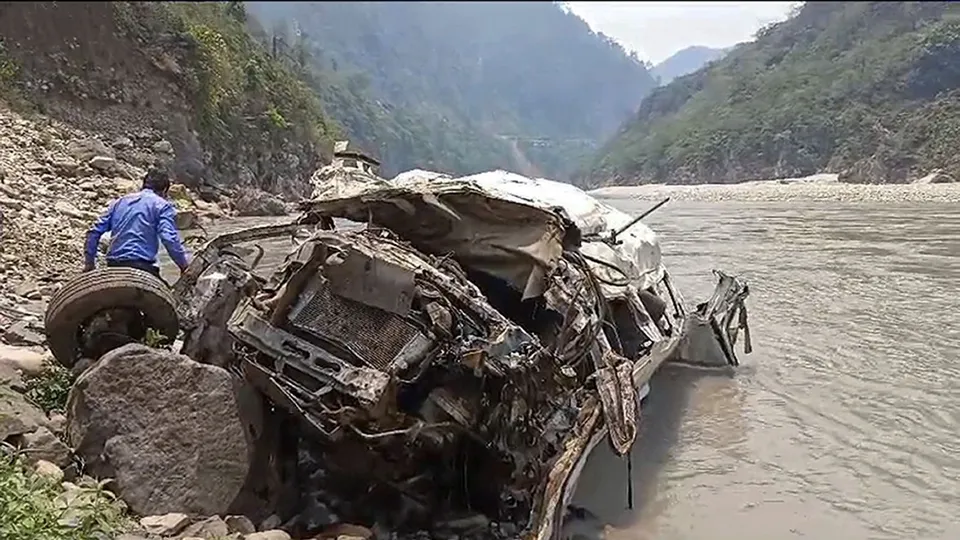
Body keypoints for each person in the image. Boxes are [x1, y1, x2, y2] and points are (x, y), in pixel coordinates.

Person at [83, 166, 190, 281]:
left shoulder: (119, 202)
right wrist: (183, 266)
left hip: (114, 265)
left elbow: (93, 232)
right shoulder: (162, 206)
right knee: (171, 297)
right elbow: (169, 238)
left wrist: (89, 264)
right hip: (143, 267)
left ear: (143, 185)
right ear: (164, 190)